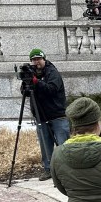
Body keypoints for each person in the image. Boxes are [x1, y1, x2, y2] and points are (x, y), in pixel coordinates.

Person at [25, 48, 70, 181]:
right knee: (45, 145)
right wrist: (27, 82)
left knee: (63, 145)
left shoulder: (52, 72)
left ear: (44, 59)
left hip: (57, 115)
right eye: (33, 60)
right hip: (41, 116)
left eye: (38, 59)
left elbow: (52, 89)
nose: (36, 62)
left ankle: (66, 171)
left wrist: (36, 82)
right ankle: (48, 169)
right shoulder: (31, 73)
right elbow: (25, 92)